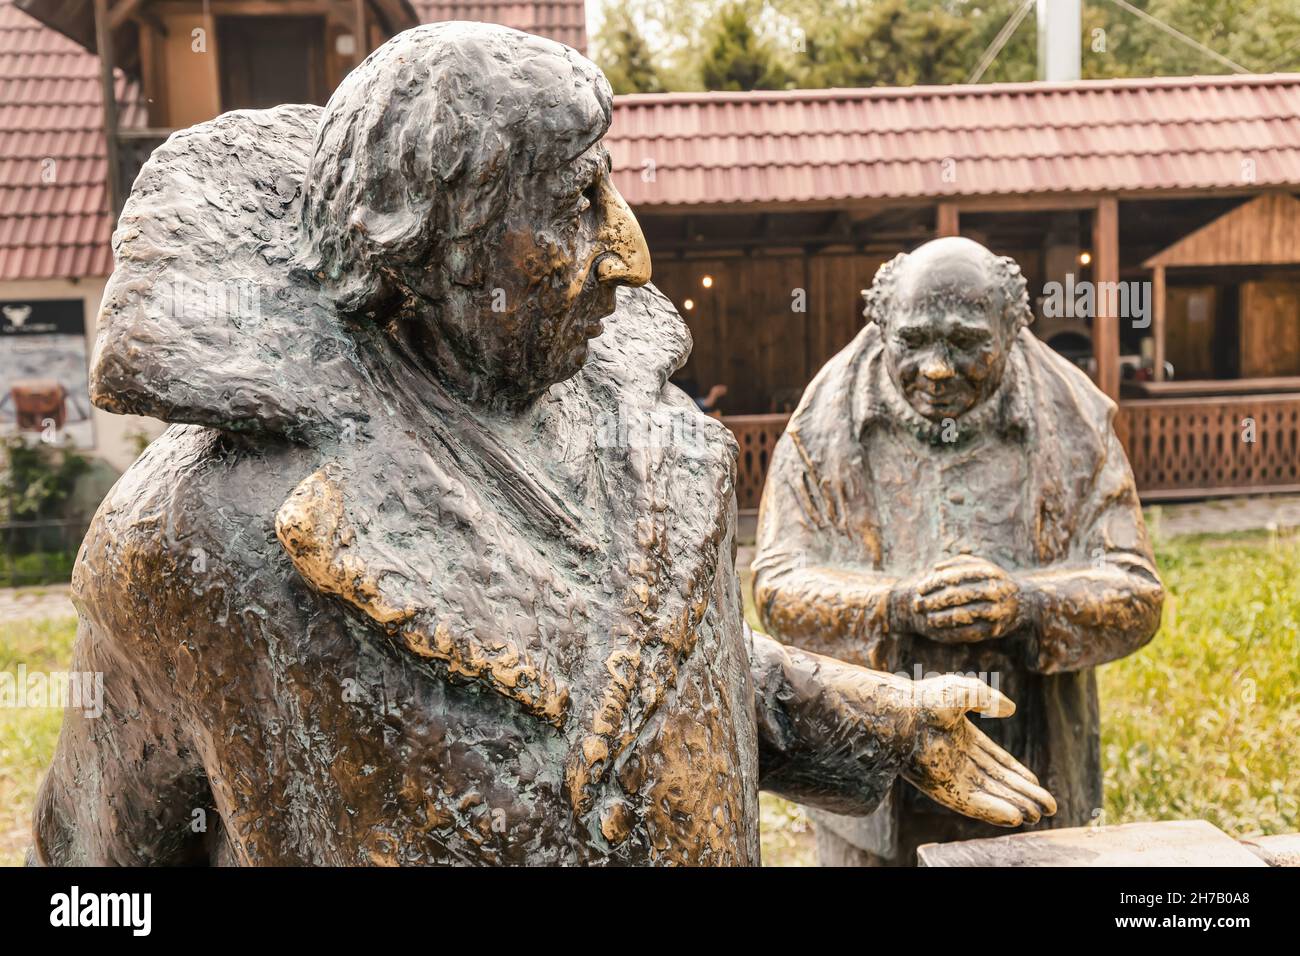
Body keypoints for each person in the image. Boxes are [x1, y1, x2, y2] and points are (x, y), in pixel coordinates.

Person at [32, 26, 1052, 866]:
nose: (629, 250)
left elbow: (657, 673)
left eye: (607, 188)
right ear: (431, 242)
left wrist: (883, 720)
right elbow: (91, 856)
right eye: (573, 203)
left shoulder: (642, 439)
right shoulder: (198, 541)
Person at [753, 236, 1163, 866]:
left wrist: (1027, 605)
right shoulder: (821, 426)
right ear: (883, 324)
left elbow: (1137, 591)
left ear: (1012, 328)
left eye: (969, 342)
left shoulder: (1075, 420)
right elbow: (777, 589)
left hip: (1035, 774)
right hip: (874, 798)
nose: (938, 369)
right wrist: (895, 606)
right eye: (912, 342)